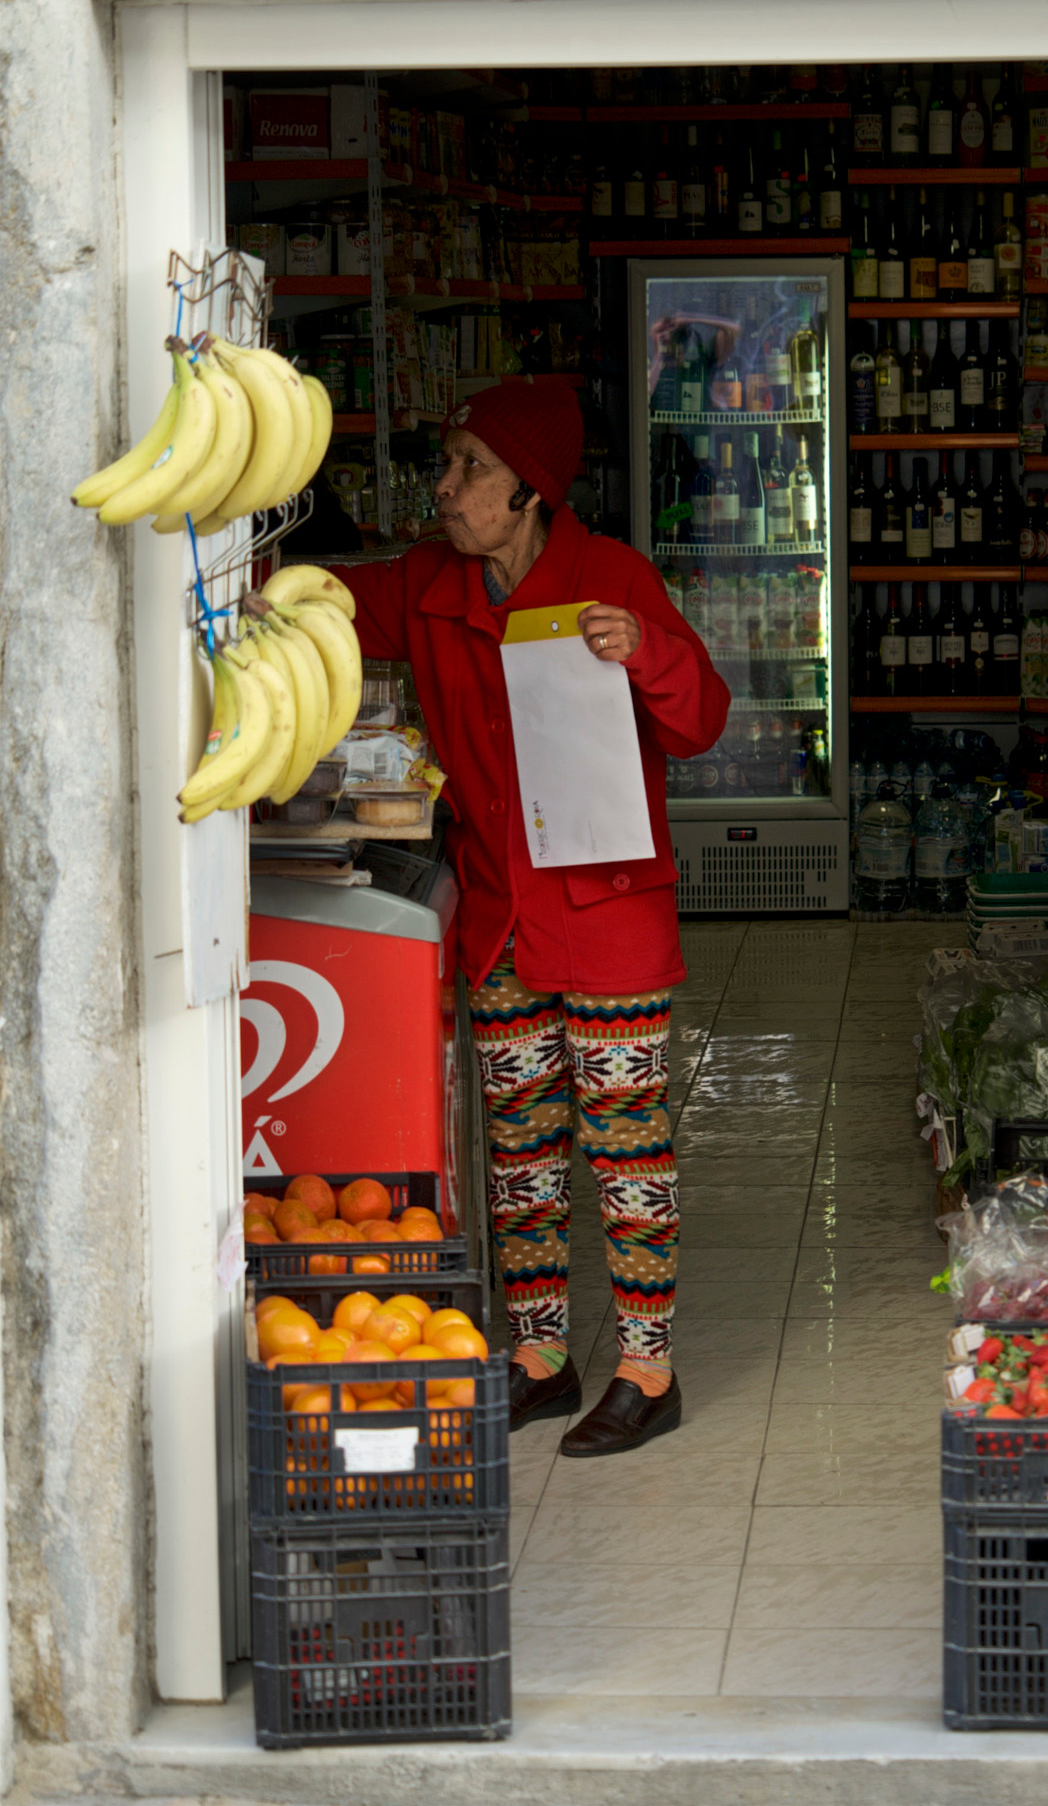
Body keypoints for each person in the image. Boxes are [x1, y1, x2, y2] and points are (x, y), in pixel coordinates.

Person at [333, 379, 729, 1456]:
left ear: (531, 489)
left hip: (605, 915)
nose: (446, 485)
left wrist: (645, 648)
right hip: (502, 915)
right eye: (448, 462)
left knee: (625, 1147)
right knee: (520, 1148)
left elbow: (701, 722)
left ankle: (649, 1369)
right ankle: (542, 1356)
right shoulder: (430, 580)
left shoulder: (611, 576)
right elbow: (330, 597)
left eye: (469, 467)